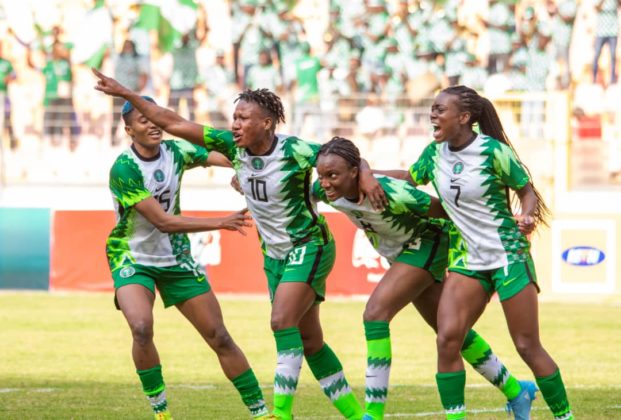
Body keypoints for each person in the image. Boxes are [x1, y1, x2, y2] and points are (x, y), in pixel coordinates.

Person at [92, 68, 388, 420]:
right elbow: (172, 121)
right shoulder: (233, 148)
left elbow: (345, 156)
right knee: (311, 342)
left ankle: (277, 413)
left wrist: (366, 175)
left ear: (266, 123)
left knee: (281, 322)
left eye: (243, 118)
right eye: (234, 117)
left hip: (308, 244)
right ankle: (360, 416)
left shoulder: (294, 150)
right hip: (274, 254)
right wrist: (126, 92)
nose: (235, 124)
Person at [314, 137, 538, 420]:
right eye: (321, 176)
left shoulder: (393, 193)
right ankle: (518, 392)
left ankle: (372, 413)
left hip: (428, 242)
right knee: (450, 332)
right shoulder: (324, 190)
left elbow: (448, 211)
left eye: (332, 175)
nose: (325, 182)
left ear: (353, 173)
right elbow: (304, 182)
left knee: (375, 314)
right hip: (402, 253)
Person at [403, 85, 573, 420]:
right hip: (468, 260)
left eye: (440, 110)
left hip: (508, 256)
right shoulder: (433, 153)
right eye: (433, 109)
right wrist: (367, 176)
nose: (433, 115)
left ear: (464, 117)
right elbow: (409, 180)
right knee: (448, 339)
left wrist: (526, 215)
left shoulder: (492, 151)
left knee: (526, 345)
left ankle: (565, 417)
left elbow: (526, 191)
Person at [106, 96, 270, 420]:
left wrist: (242, 170)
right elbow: (163, 222)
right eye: (142, 120)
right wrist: (220, 222)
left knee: (219, 336)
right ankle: (161, 412)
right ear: (128, 130)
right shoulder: (124, 168)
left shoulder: (176, 152)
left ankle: (262, 414)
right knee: (141, 326)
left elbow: (222, 155)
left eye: (154, 118)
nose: (152, 124)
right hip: (132, 257)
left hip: (175, 257)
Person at [111, 39, 148, 146]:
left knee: (132, 117)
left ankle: (132, 139)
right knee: (116, 116)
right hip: (118, 92)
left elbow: (144, 74)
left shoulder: (138, 59)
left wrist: (140, 89)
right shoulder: (118, 58)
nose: (127, 48)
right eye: (125, 45)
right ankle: (113, 139)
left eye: (129, 46)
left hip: (131, 92)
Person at [593, 0, 621, 85]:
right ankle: (594, 78)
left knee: (612, 56)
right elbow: (596, 8)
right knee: (596, 55)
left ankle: (612, 79)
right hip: (601, 31)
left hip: (613, 31)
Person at [0, 41, 18, 149]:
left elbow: (14, 75)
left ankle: (11, 139)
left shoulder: (6, 63)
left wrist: (9, 78)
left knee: (7, 115)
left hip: (4, 94)